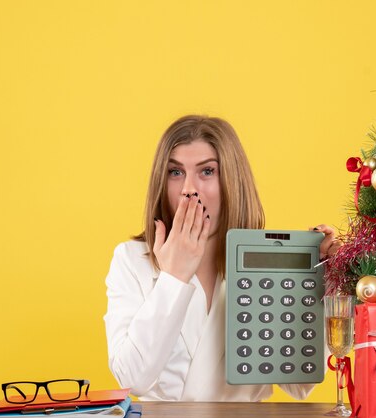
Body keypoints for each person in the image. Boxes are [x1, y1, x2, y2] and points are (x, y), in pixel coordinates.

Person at [104, 115, 340, 401]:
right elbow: (133, 380)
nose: (189, 188)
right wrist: (173, 277)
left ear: (231, 181)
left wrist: (323, 283)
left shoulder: (271, 260)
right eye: (175, 173)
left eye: (207, 172)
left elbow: (299, 382)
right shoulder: (131, 260)